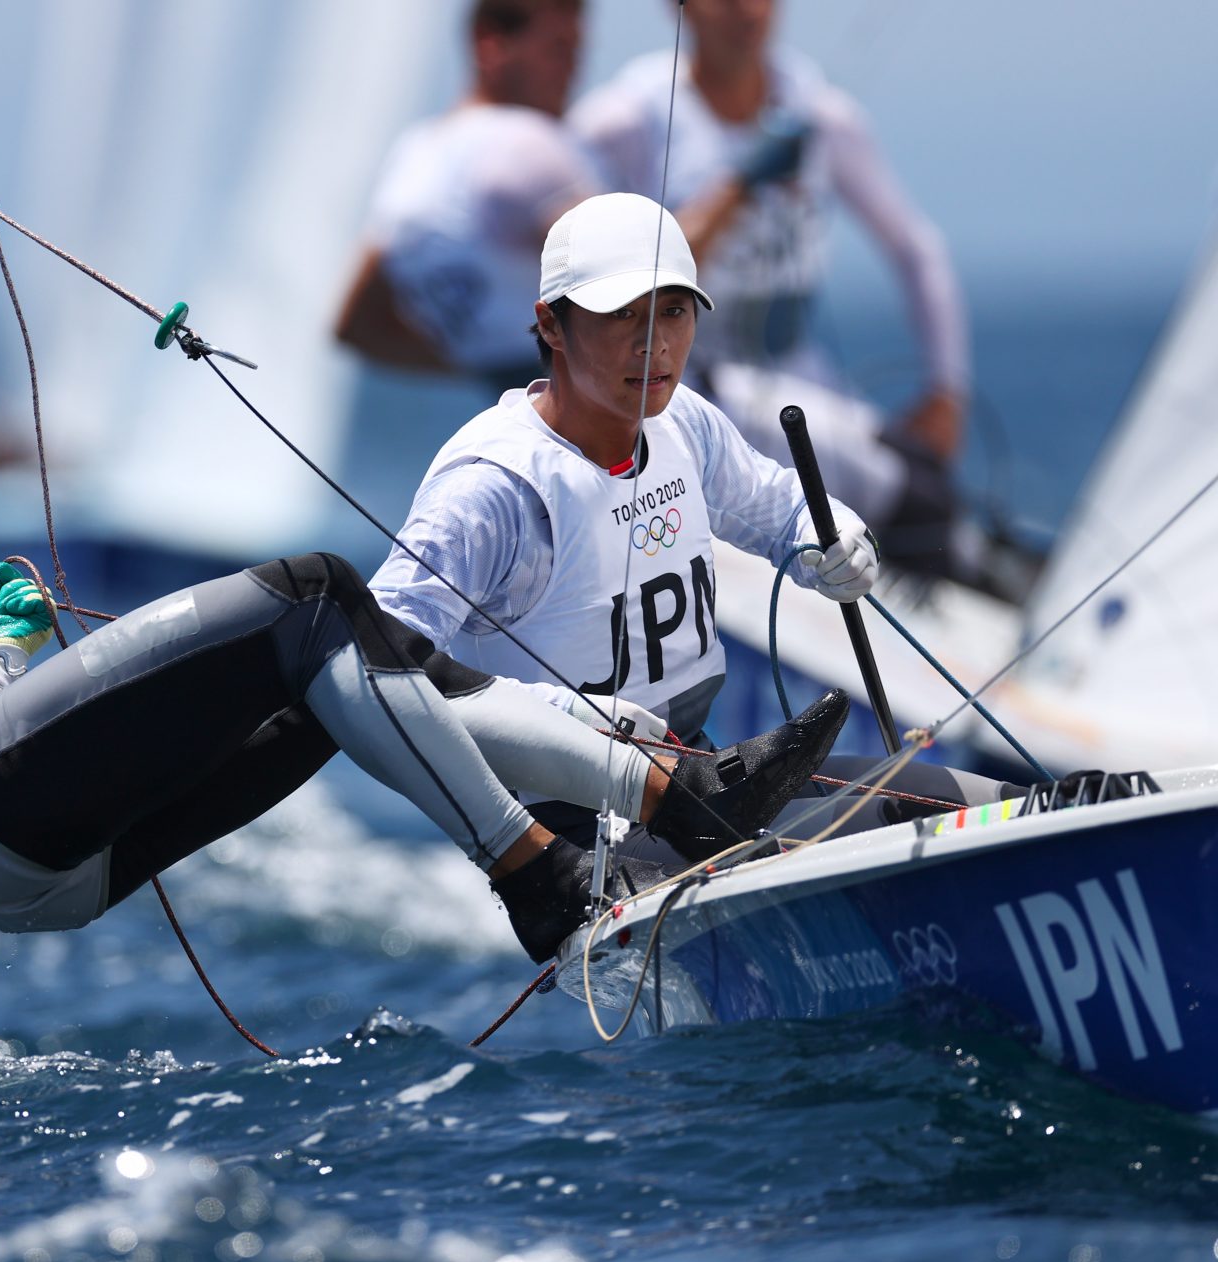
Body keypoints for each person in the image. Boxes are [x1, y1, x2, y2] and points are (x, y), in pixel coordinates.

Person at [0, 53, 851, 970]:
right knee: (313, 600)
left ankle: (680, 792)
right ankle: (549, 873)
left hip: (27, 876)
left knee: (348, 682)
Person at [370, 191, 900, 847]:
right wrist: (556, 716)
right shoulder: (491, 489)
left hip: (708, 777)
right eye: (622, 314)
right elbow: (379, 671)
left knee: (972, 806)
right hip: (568, 831)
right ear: (551, 326)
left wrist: (836, 536)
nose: (655, 344)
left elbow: (782, 506)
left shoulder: (685, 423)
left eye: (673, 312)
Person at [572, 0, 970, 577]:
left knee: (923, 495)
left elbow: (917, 250)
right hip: (680, 386)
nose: (746, 9)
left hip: (792, 380)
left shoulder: (823, 117)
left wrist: (947, 391)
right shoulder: (625, 122)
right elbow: (605, 276)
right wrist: (739, 185)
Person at [334, 0, 595, 394]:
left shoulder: (414, 154)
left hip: (520, 418)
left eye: (577, 52)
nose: (574, 70)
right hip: (610, 419)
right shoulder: (525, 142)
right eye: (559, 49)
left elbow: (358, 327)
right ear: (489, 41)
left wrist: (495, 369)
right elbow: (639, 273)